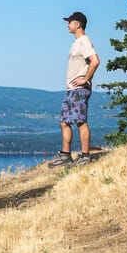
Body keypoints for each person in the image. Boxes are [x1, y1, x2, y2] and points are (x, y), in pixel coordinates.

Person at [48, 11, 100, 167]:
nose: (67, 24)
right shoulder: (77, 42)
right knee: (64, 122)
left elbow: (95, 61)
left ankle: (85, 156)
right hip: (71, 89)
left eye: (70, 22)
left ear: (77, 24)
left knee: (80, 122)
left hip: (79, 90)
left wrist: (86, 79)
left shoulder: (84, 41)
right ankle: (65, 155)